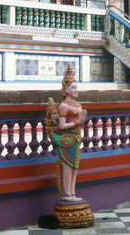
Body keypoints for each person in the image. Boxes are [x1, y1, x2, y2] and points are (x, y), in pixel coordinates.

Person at [46, 64, 87, 201]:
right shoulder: (64, 105)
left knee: (75, 166)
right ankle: (66, 194)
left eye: (77, 88)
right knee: (68, 166)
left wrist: (80, 123)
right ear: (65, 89)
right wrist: (77, 123)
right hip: (67, 138)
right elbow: (62, 125)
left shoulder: (78, 105)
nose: (75, 90)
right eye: (73, 88)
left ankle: (73, 192)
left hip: (76, 137)